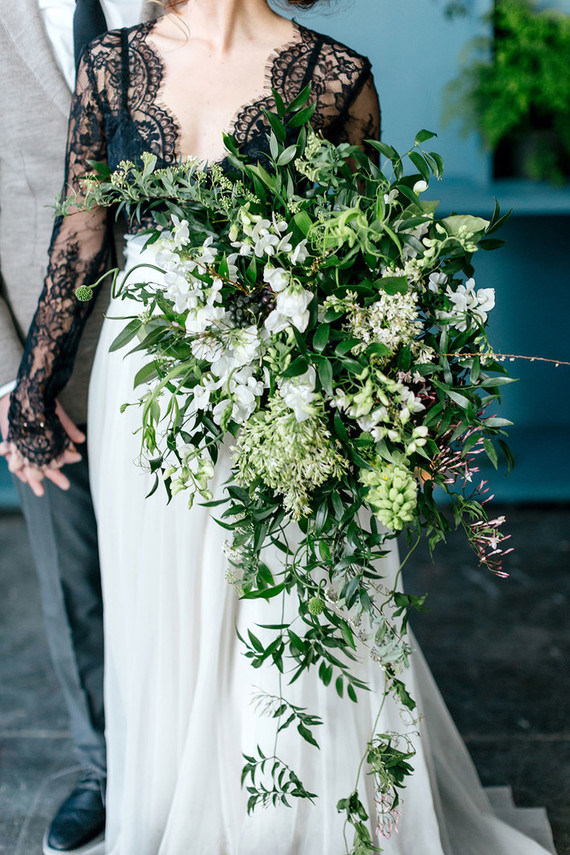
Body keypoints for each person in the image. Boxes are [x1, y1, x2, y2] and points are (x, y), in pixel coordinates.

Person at [0, 1, 558, 853]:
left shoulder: (336, 76)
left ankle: (293, 826)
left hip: (289, 386)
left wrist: (398, 406)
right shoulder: (113, 64)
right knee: (167, 619)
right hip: (145, 395)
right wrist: (32, 389)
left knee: (286, 608)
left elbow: (367, 263)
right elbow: (80, 237)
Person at [0, 2, 151, 853]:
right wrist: (12, 380)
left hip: (191, 350)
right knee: (75, 584)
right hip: (38, 360)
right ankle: (106, 770)